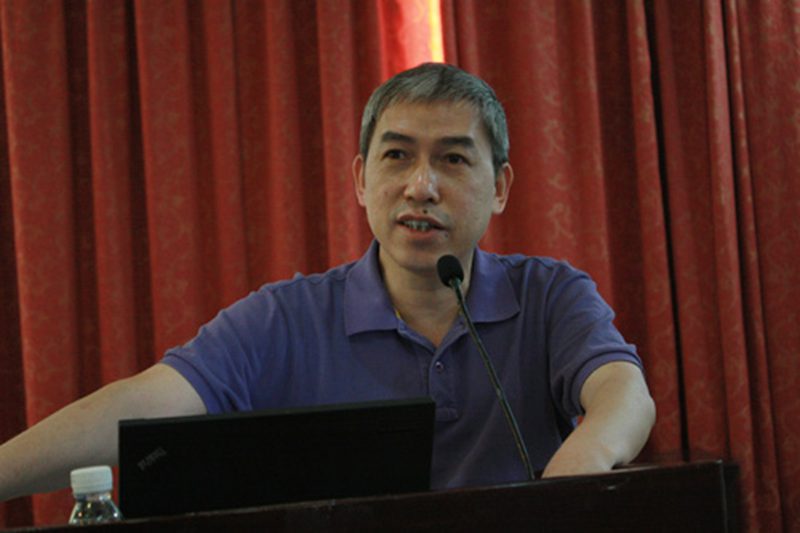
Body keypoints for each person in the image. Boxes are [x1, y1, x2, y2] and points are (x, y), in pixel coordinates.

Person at [0, 63, 655, 501]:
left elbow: (624, 394)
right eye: (397, 156)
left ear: (501, 186)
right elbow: (145, 402)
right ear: (361, 180)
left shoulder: (549, 295)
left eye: (453, 159)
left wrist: (567, 481)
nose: (421, 186)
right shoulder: (285, 318)